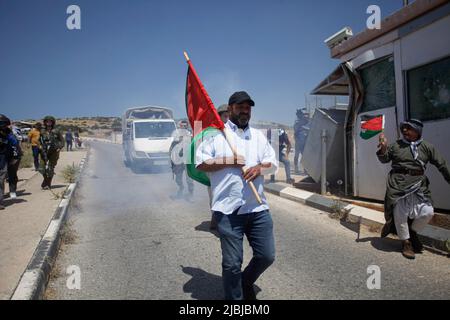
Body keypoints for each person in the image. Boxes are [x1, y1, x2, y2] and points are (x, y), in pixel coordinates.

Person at [196, 91, 278, 300]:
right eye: (240, 106)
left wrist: (260, 168)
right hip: (228, 211)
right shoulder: (217, 135)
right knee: (232, 264)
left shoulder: (258, 136)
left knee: (266, 256)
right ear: (230, 108)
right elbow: (201, 163)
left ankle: (246, 280)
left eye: (248, 107)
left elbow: (272, 163)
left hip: (257, 208)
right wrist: (228, 161)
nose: (245, 110)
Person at [377, 119, 450, 259]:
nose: (405, 131)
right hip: (398, 184)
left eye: (408, 128)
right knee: (400, 213)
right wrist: (384, 147)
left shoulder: (427, 147)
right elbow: (384, 159)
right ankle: (406, 243)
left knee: (427, 212)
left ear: (417, 130)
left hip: (419, 185)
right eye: (403, 128)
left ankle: (412, 231)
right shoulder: (396, 146)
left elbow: (442, 164)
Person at [209, 104, 231, 230]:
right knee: (215, 194)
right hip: (214, 168)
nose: (227, 118)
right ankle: (215, 216)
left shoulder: (233, 130)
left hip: (230, 168)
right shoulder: (211, 131)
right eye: (225, 116)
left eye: (229, 115)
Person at [0, 115, 21, 209]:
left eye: (2, 124)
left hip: (3, 158)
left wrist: (16, 155)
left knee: (1, 178)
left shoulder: (8, 133)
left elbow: (15, 143)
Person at [39, 116, 64, 190]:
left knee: (50, 168)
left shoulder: (56, 131)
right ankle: (46, 179)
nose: (48, 123)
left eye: (50, 121)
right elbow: (38, 140)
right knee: (41, 168)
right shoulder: (42, 131)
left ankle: (48, 182)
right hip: (44, 152)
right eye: (47, 121)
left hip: (54, 152)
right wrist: (39, 146)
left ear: (53, 122)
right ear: (45, 122)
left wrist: (59, 148)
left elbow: (62, 141)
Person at [170, 121, 194, 199]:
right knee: (178, 179)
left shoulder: (189, 133)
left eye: (185, 125)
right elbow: (175, 142)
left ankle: (191, 193)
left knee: (189, 178)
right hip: (178, 160)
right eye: (182, 125)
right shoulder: (176, 133)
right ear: (179, 126)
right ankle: (181, 187)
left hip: (187, 159)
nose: (184, 127)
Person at [293, 108, 309, 174]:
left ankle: (305, 169)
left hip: (303, 141)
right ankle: (296, 169)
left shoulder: (304, 121)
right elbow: (296, 130)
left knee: (304, 156)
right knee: (297, 155)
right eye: (299, 115)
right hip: (299, 142)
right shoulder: (298, 122)